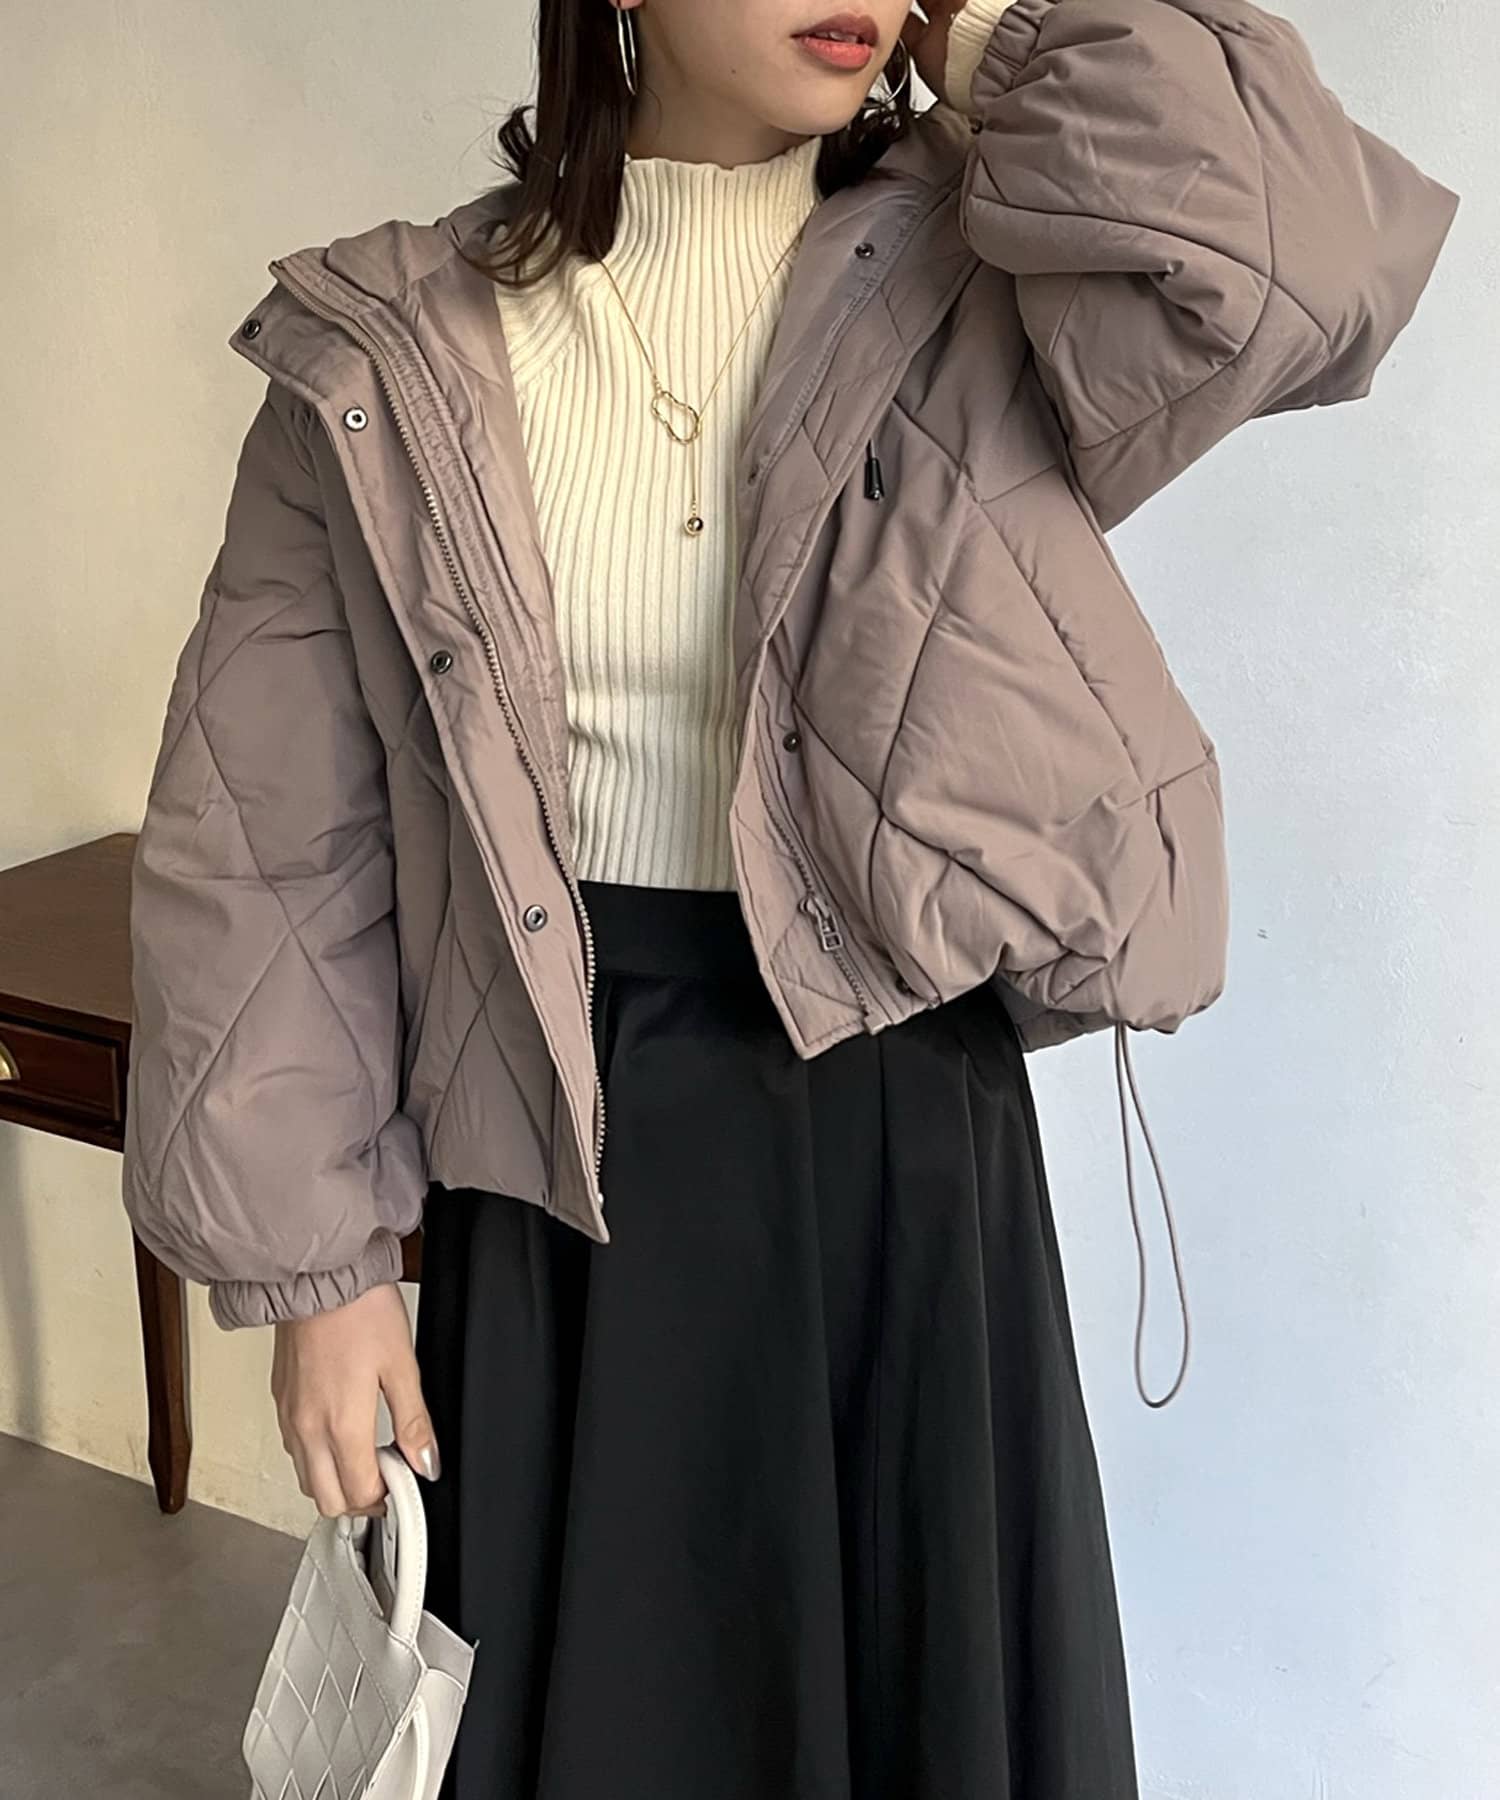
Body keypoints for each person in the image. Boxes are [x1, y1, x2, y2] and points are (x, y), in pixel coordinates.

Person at [120, 1, 1458, 1794]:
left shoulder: (987, 280)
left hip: (903, 1139)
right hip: (561, 1147)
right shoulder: (388, 354)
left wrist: (991, 39)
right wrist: (318, 1272)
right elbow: (272, 833)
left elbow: (1317, 260)